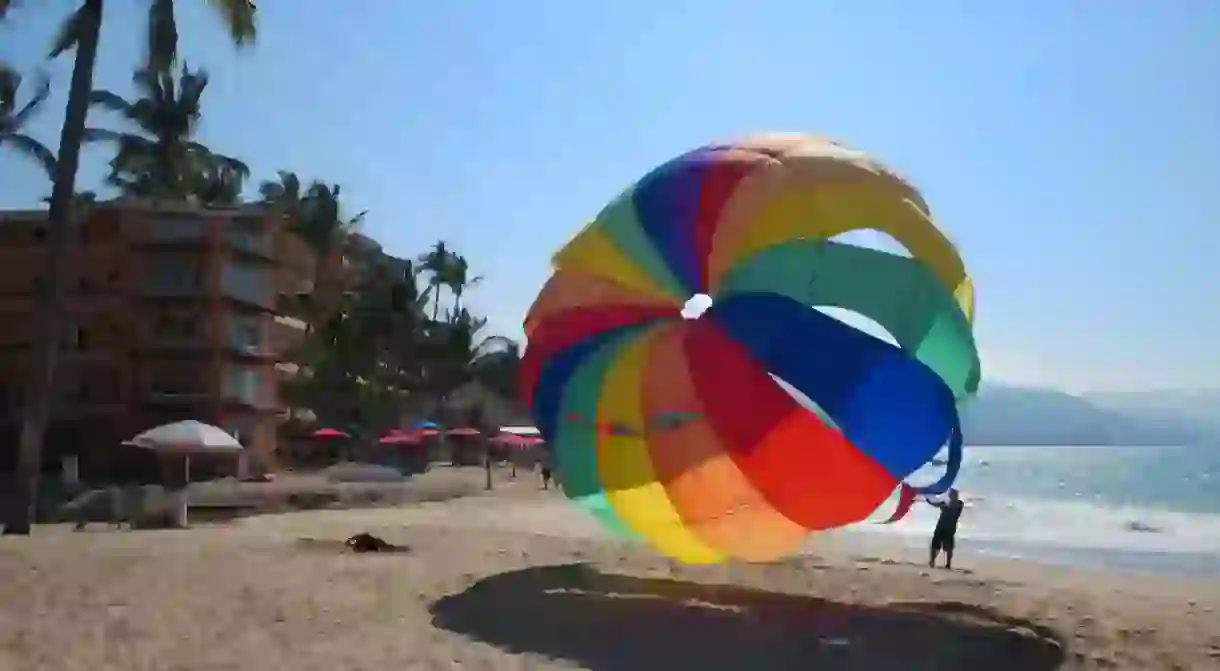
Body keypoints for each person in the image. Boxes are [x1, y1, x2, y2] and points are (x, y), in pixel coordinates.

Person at [925, 488, 965, 569]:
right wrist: (928, 499)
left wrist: (942, 505)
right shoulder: (946, 503)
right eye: (951, 494)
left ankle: (948, 564)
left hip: (949, 527)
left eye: (953, 494)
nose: (951, 496)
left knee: (948, 547)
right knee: (935, 544)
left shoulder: (959, 504)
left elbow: (951, 509)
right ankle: (932, 561)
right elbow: (935, 504)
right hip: (941, 526)